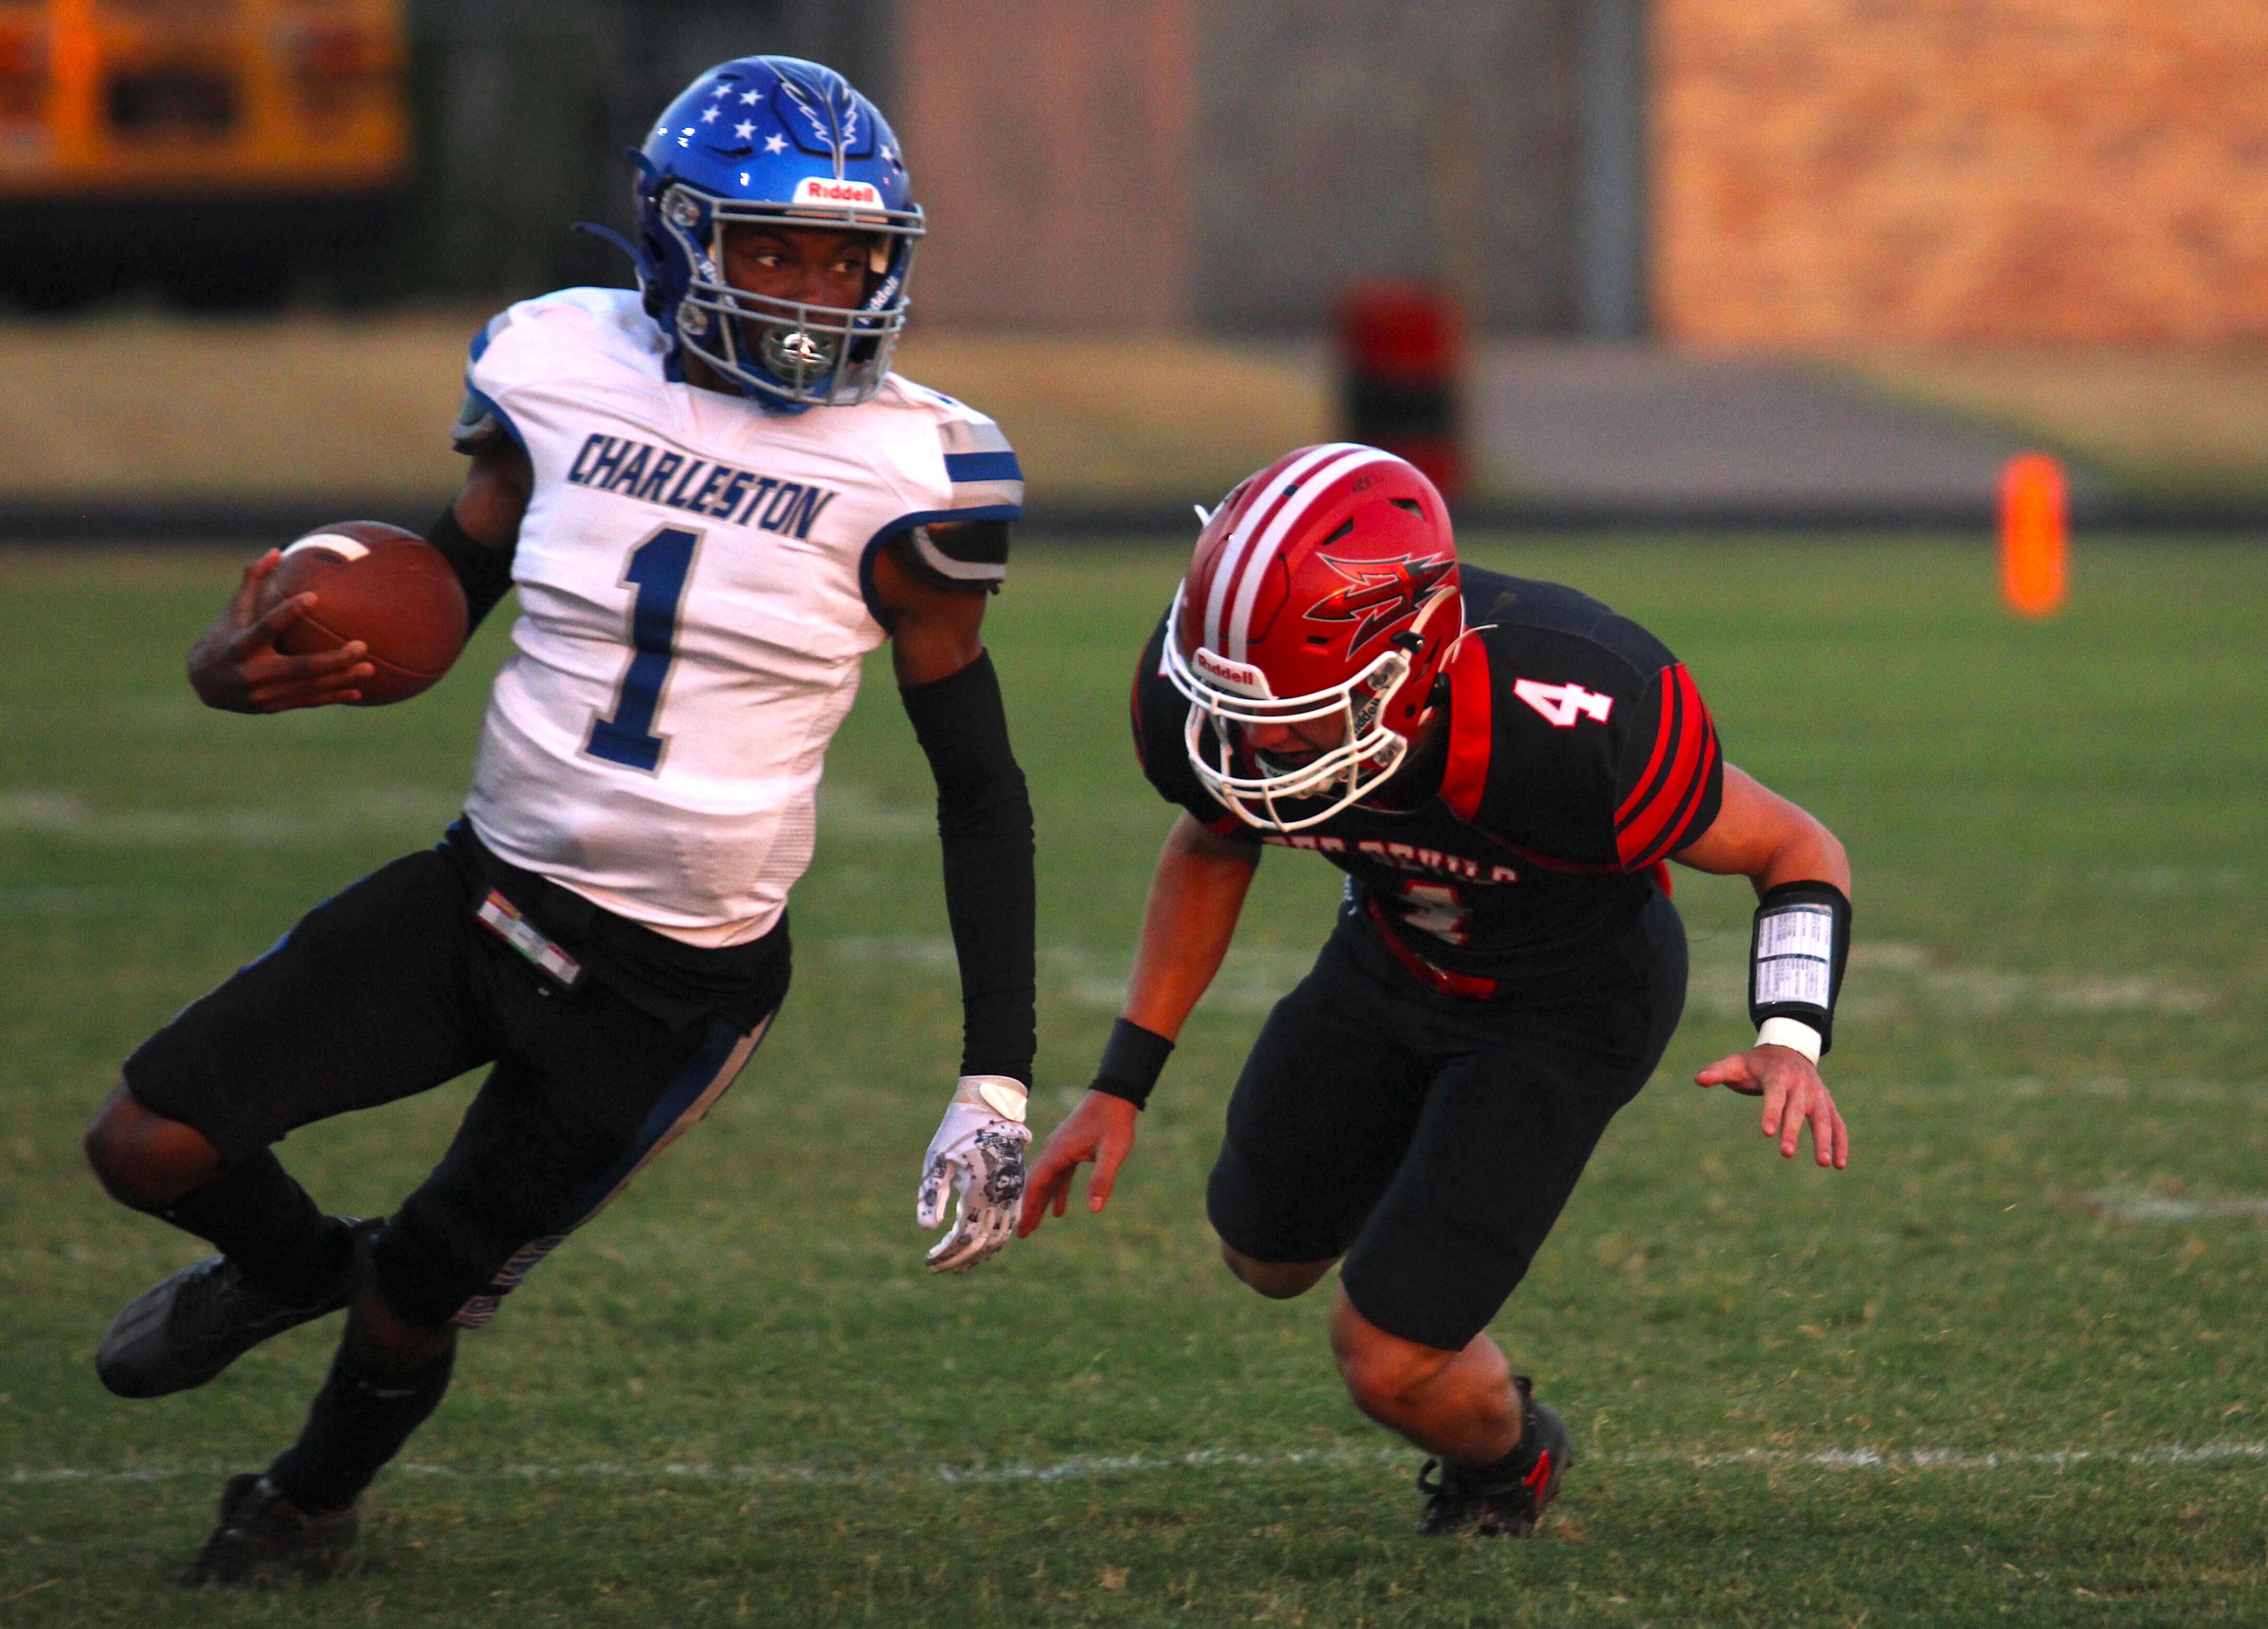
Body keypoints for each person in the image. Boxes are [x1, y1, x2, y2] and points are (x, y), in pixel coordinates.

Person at [82, 57, 1037, 1586]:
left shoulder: (921, 469)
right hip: (486, 890)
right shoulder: (560, 360)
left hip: (676, 981)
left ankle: (303, 1504)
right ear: (675, 246)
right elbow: (457, 576)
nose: (815, 289)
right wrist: (259, 660)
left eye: (850, 257)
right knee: (145, 1138)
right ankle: (287, 1267)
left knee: (427, 1292)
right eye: (770, 247)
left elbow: (978, 784)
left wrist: (995, 1070)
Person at [1020, 444, 1852, 1536]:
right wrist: (1121, 1081)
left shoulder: (1580, 711)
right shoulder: (1221, 701)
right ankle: (1424, 1243)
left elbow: (1795, 847)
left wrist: (1790, 1032)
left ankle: (1510, 1460)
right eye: (1231, 700)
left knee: (1386, 1361)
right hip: (1391, 958)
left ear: (1404, 665)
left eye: (1292, 711)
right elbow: (1215, 841)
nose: (1253, 742)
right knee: (1264, 1251)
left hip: (1567, 1007)